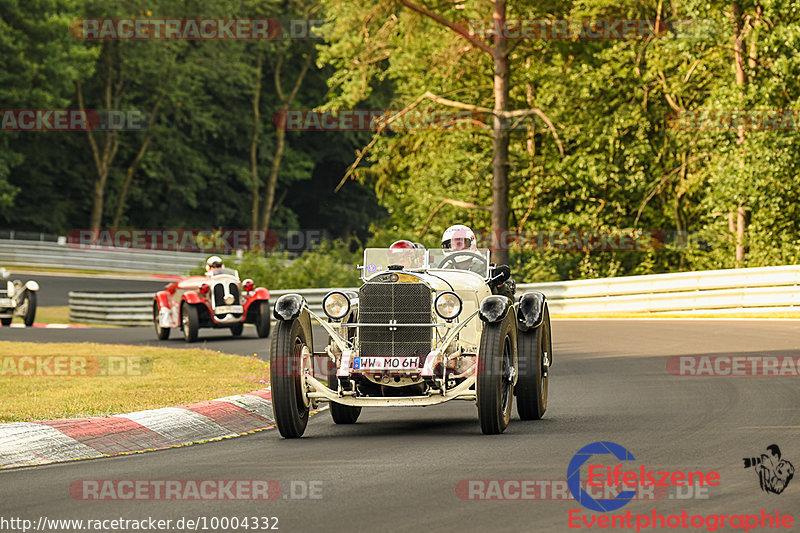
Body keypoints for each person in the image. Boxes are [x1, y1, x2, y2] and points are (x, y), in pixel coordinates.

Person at [440, 224, 515, 298]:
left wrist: (499, 283)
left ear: (470, 243)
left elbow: (505, 301)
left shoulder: (485, 270)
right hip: (449, 307)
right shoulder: (443, 270)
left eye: (460, 243)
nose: (455, 247)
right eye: (451, 245)